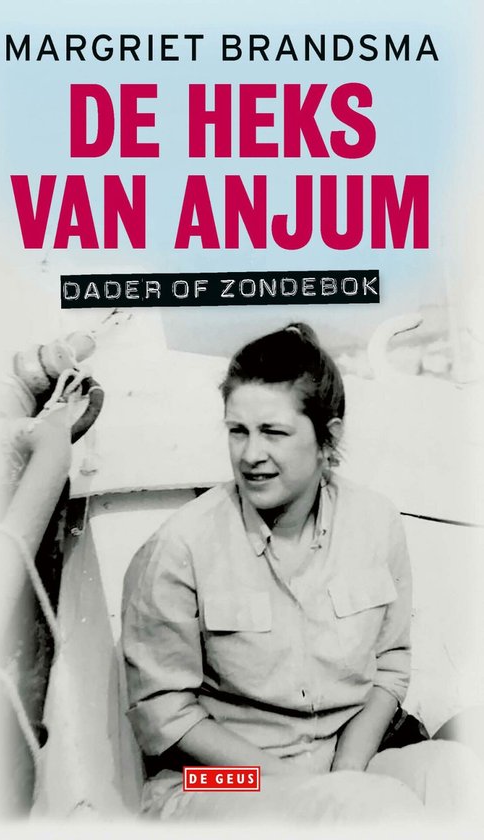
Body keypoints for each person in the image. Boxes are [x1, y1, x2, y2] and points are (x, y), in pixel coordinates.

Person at [121, 322, 481, 823]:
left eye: (273, 432)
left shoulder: (376, 523)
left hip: (347, 760)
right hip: (215, 778)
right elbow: (166, 715)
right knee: (367, 809)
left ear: (327, 438)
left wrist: (348, 770)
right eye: (238, 431)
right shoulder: (179, 546)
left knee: (457, 777)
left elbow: (391, 665)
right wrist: (312, 789)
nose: (251, 455)